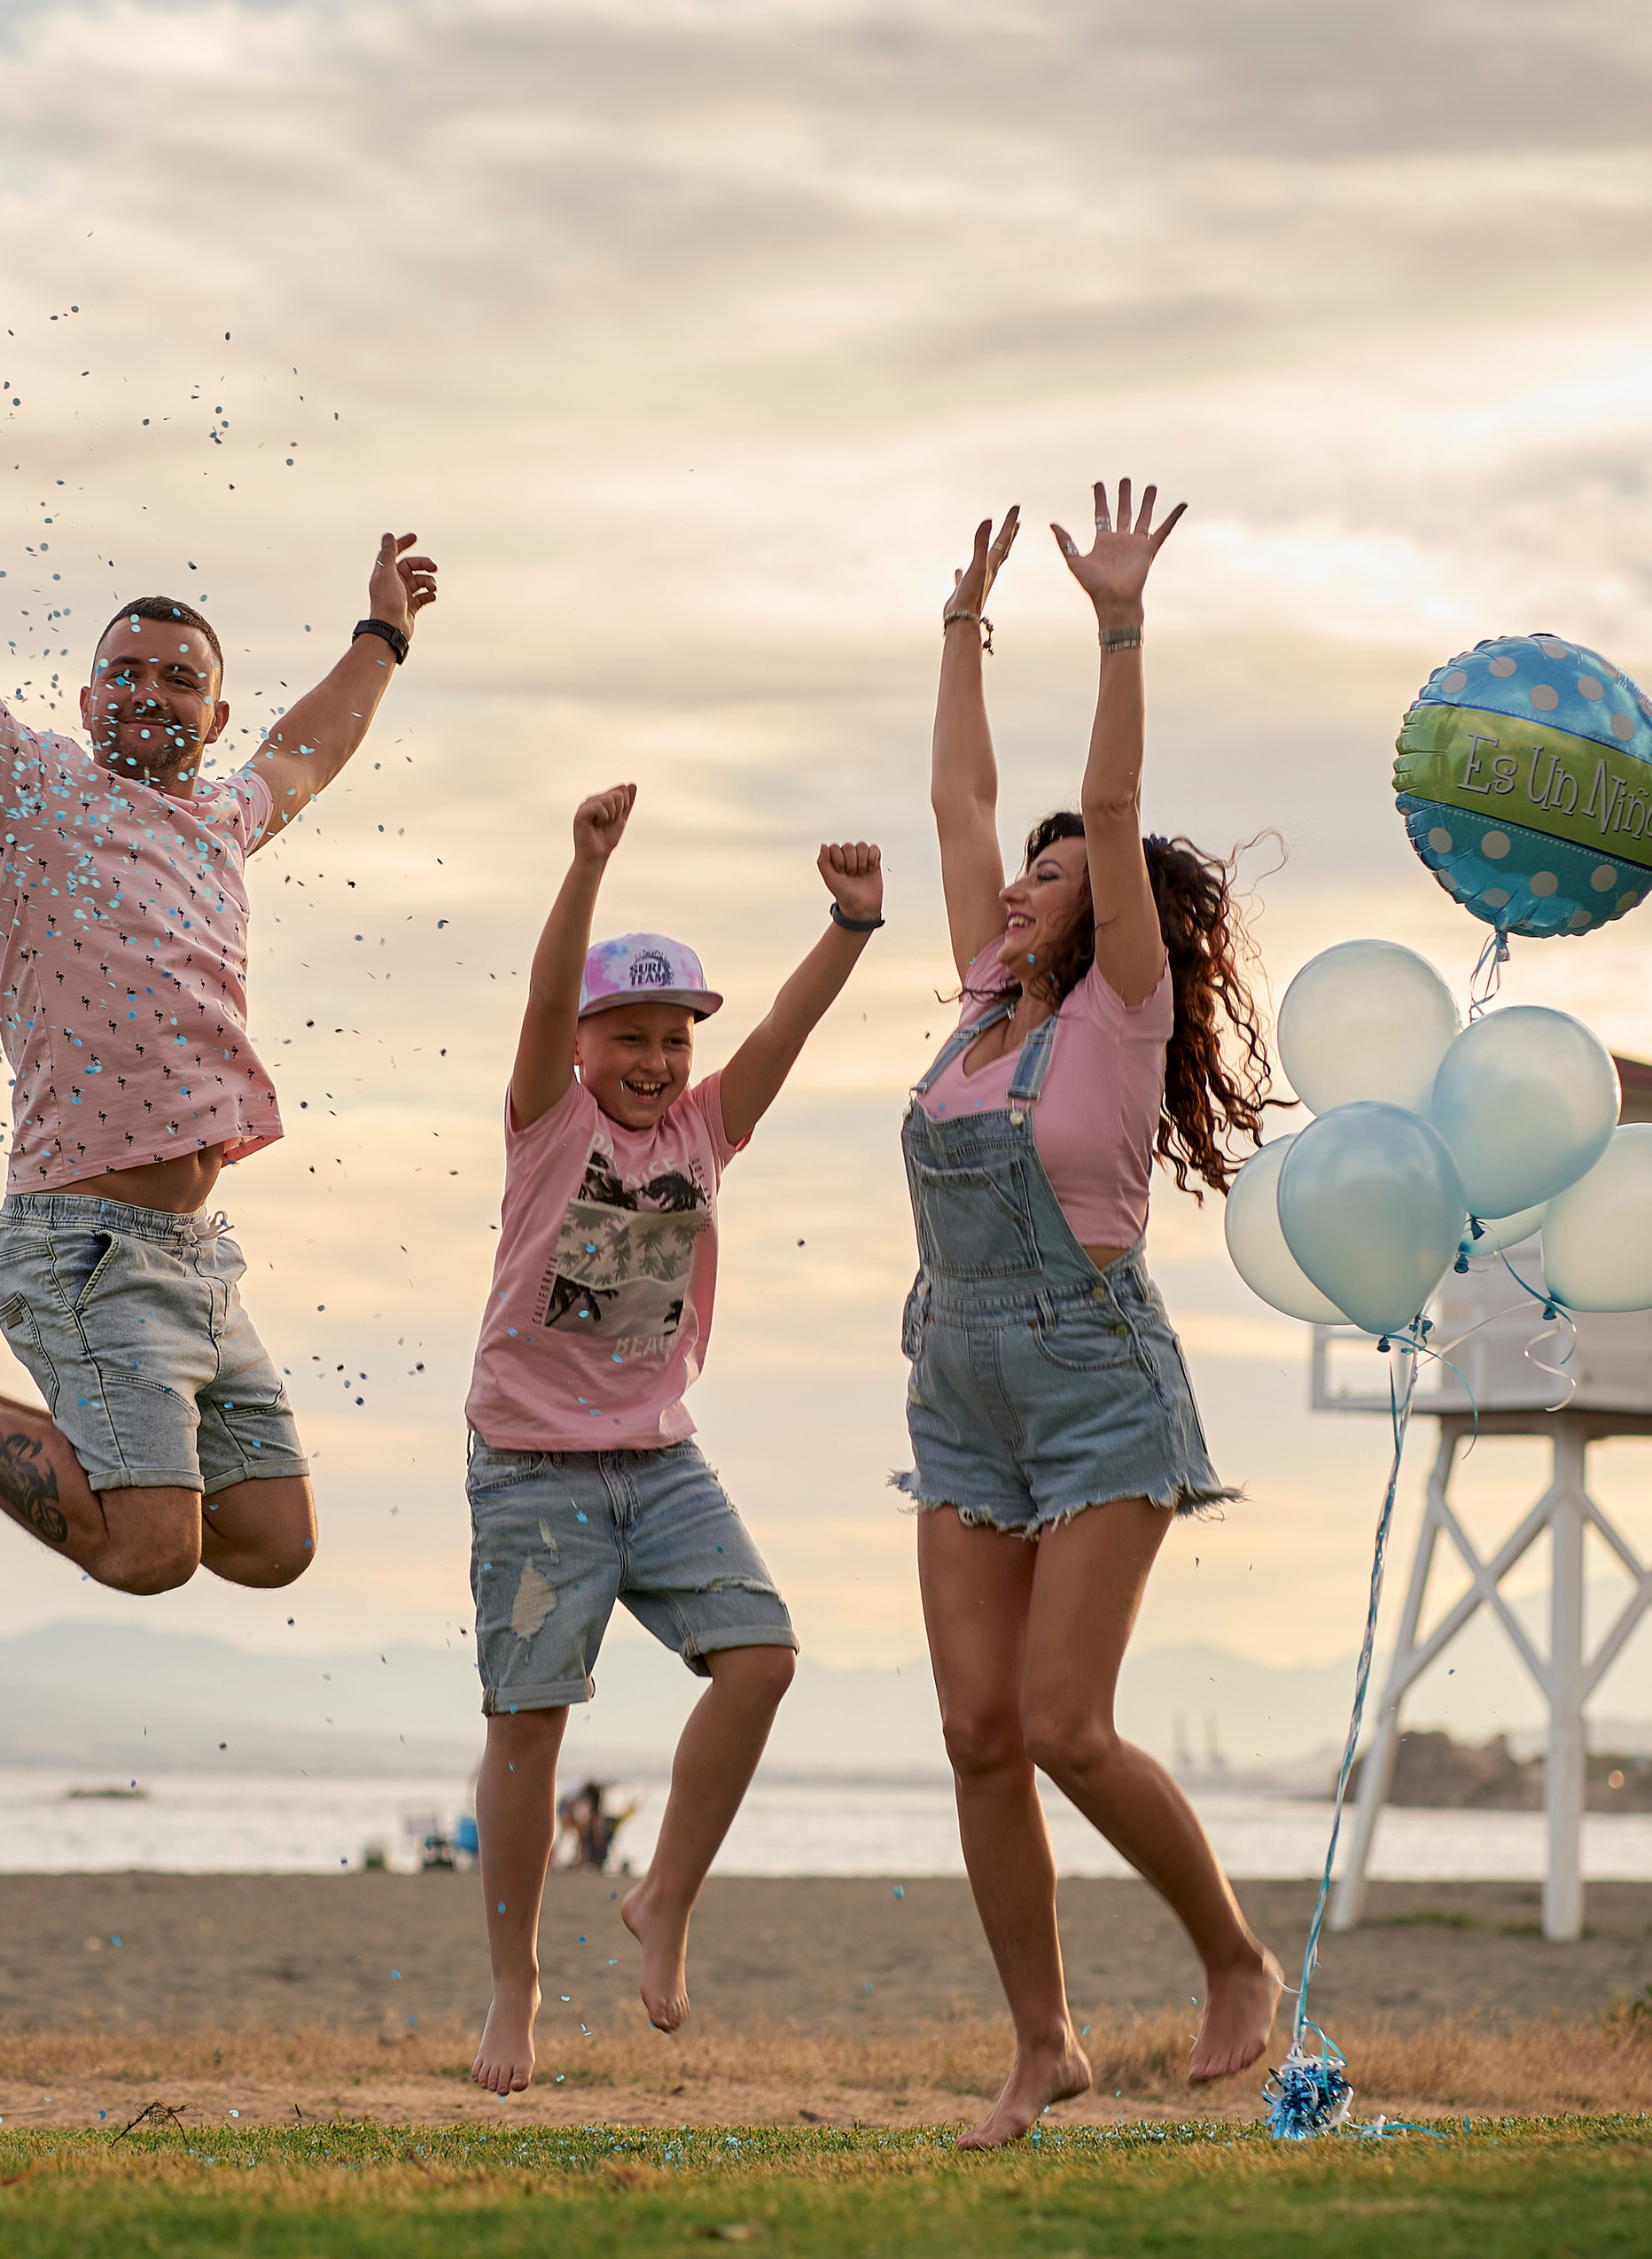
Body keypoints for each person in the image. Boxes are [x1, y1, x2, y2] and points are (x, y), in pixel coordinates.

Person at [0, 333, 435, 1602]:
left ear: (214, 718)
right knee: (151, 1555)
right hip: (78, 1246)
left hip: (195, 1255)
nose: (150, 692)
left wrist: (381, 631)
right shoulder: (24, 788)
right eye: (127, 673)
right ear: (88, 694)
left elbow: (318, 746)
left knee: (272, 1546)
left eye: (182, 681)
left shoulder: (223, 818)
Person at [904, 479, 1282, 2147]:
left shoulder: (1121, 1007)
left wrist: (1117, 624)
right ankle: (1041, 2044)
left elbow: (1103, 801)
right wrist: (962, 631)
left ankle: (1234, 1961)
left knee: (1064, 1723)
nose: (1022, 887)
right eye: (1027, 875)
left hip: (1097, 1383)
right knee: (979, 1732)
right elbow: (958, 795)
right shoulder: (982, 998)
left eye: (1052, 877)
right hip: (955, 1382)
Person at [466, 782, 885, 2094]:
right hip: (532, 1470)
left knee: (760, 1659)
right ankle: (515, 1994)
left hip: (658, 1461)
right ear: (585, 1046)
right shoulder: (551, 1126)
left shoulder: (705, 1129)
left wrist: (850, 925)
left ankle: (666, 1903)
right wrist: (583, 866)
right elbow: (540, 1004)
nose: (656, 1060)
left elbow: (783, 1033)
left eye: (671, 1039)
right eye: (629, 1036)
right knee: (528, 1724)